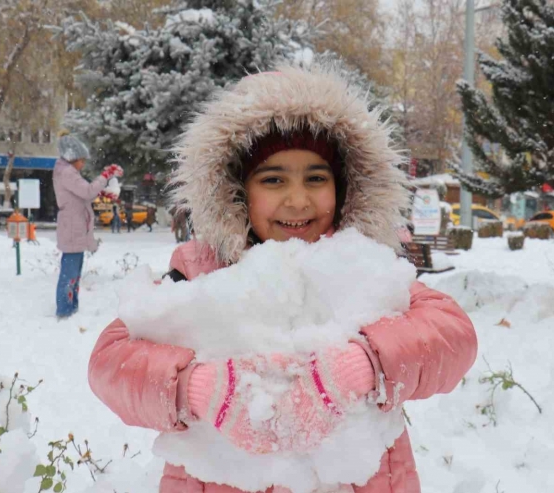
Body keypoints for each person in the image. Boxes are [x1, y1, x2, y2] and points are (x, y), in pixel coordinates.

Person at [88, 65, 477, 492]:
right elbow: (111, 363)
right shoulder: (198, 274)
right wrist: (195, 387)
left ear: (344, 188)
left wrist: (363, 365)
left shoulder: (364, 267)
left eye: (316, 178)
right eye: (273, 180)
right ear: (236, 190)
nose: (297, 200)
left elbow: (451, 334)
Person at [53, 130, 123, 319]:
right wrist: (106, 175)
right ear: (72, 157)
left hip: (74, 227)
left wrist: (102, 193)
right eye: (81, 160)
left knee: (73, 273)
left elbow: (81, 193)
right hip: (73, 228)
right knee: (70, 274)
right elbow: (86, 192)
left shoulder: (65, 171)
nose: (83, 164)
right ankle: (65, 310)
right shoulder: (67, 172)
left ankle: (70, 307)